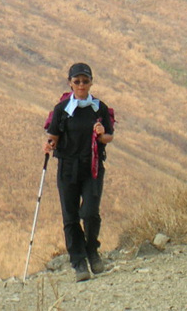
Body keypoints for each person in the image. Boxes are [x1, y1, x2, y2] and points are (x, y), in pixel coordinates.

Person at [44, 62, 114, 282]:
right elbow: (53, 135)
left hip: (92, 167)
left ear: (91, 82)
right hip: (67, 167)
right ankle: (79, 262)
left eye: (85, 81)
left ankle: (92, 250)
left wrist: (102, 133)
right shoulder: (61, 109)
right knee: (70, 216)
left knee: (90, 212)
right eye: (77, 81)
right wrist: (48, 145)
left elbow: (108, 137)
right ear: (70, 83)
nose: (81, 85)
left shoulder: (99, 108)